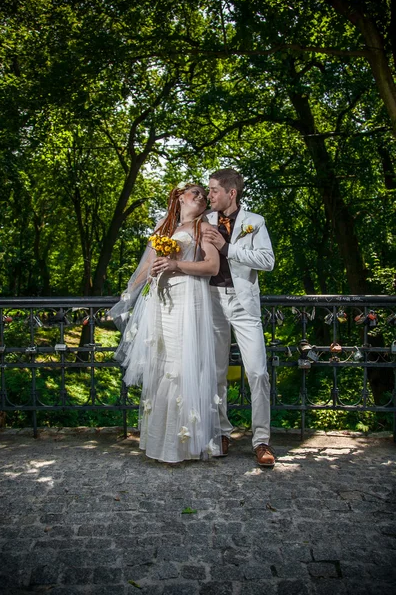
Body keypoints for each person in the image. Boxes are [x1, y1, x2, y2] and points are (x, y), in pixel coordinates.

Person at [109, 184, 222, 463]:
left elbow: (212, 267)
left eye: (204, 195)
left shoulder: (202, 227)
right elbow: (148, 264)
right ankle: (160, 443)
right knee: (162, 364)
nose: (201, 196)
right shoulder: (164, 225)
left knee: (180, 367)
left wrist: (175, 265)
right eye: (194, 192)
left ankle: (182, 445)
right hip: (161, 301)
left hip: (187, 298)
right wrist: (127, 296)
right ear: (179, 197)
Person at [203, 168, 276, 467]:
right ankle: (222, 433)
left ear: (231, 193)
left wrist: (228, 248)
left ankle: (262, 441)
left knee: (258, 372)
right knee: (216, 373)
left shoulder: (254, 222)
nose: (209, 196)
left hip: (245, 305)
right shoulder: (203, 220)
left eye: (214, 191)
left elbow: (267, 261)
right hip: (211, 303)